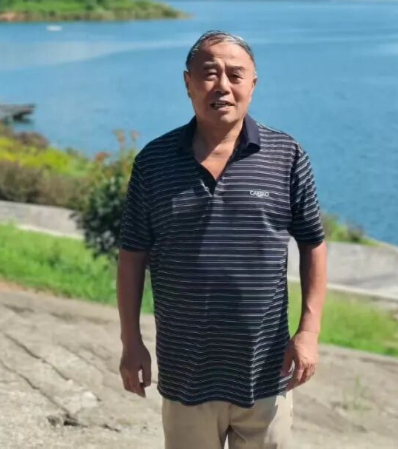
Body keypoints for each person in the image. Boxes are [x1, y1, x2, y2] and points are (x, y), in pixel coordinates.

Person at [116, 30, 328, 449]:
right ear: (188, 82)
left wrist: (309, 332)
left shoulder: (286, 155)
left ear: (253, 83)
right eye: (209, 73)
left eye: (235, 74)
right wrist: (131, 341)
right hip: (185, 373)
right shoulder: (155, 162)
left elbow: (313, 245)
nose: (223, 86)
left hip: (266, 372)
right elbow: (132, 254)